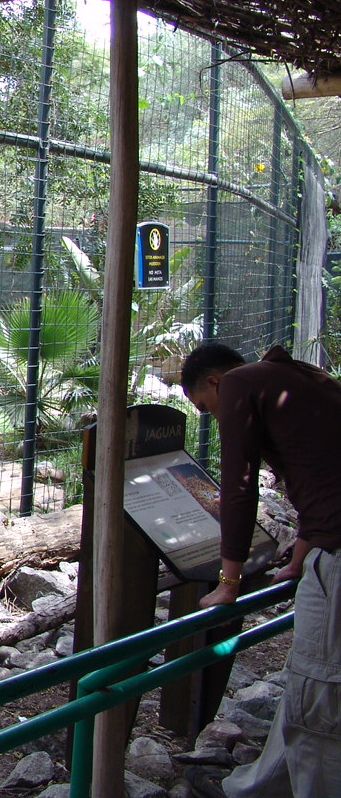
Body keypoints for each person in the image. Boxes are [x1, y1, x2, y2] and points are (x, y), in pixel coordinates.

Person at [180, 342, 341, 798]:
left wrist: (228, 582)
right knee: (311, 678)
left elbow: (238, 484)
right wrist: (298, 558)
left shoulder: (238, 384)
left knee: (321, 692)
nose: (211, 414)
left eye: (203, 407)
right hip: (327, 542)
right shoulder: (299, 378)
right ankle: (256, 788)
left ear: (214, 381)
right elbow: (316, 474)